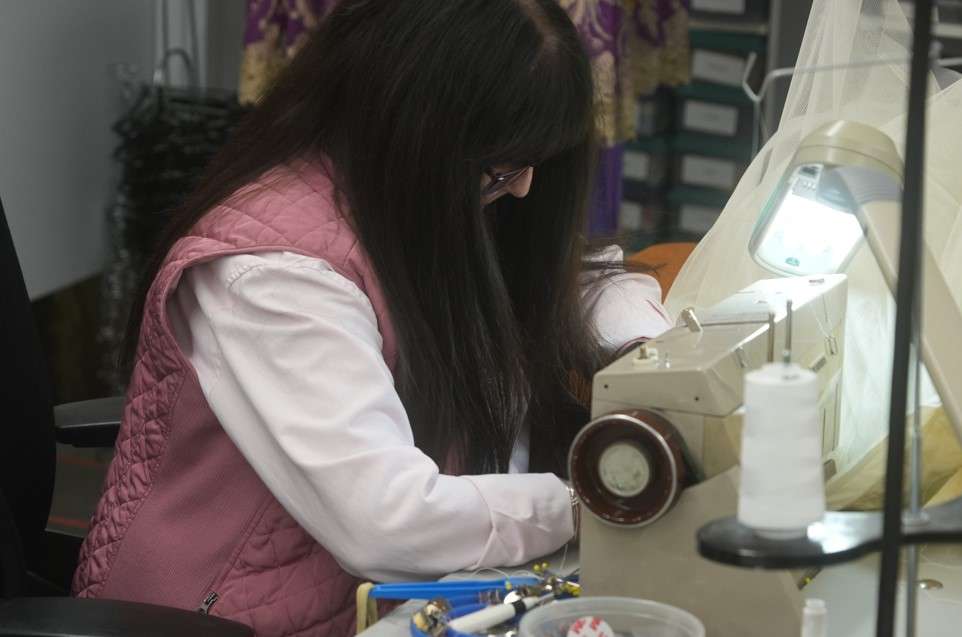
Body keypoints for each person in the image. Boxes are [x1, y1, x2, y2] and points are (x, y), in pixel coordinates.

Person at [73, 1, 671, 635]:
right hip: (221, 618)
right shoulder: (271, 276)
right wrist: (595, 497)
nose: (521, 190)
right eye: (500, 168)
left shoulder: (420, 190)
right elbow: (388, 519)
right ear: (413, 128)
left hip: (396, 598)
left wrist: (647, 350)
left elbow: (571, 276)